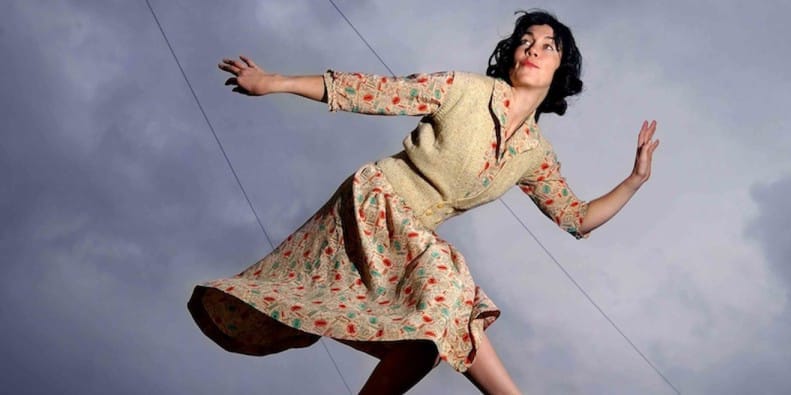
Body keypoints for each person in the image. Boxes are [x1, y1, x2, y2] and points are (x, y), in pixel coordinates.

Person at [188, 10, 659, 394]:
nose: (534, 48)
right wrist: (276, 82)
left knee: (429, 340)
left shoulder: (535, 154)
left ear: (561, 68)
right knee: (447, 282)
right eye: (525, 40)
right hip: (375, 203)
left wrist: (634, 180)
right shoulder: (465, 90)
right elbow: (373, 91)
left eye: (548, 45)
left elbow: (577, 218)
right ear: (512, 54)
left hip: (411, 236)